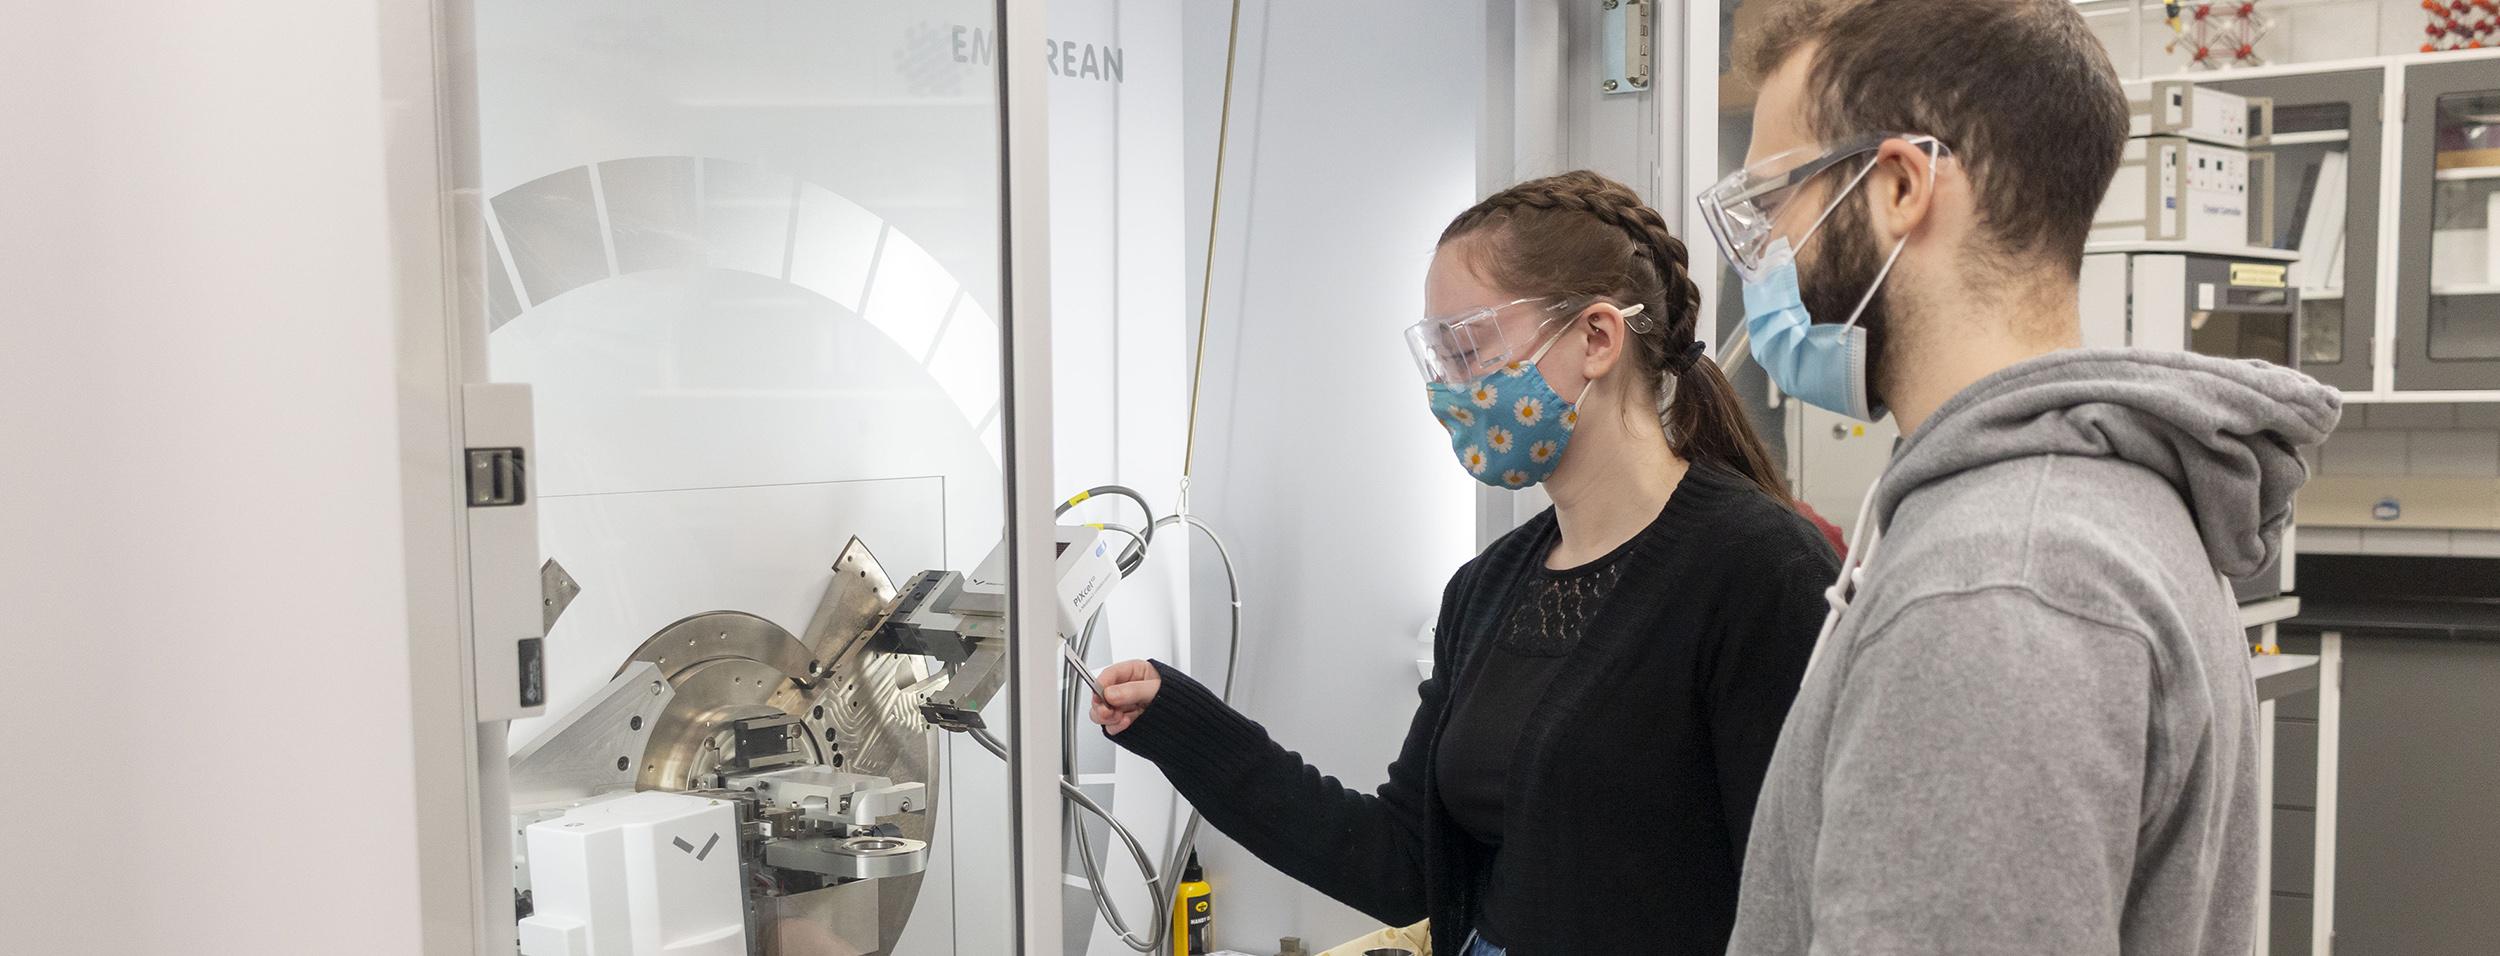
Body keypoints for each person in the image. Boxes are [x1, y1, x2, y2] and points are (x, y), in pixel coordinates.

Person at [1700, 1, 2342, 953]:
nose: (1761, 254)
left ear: (1901, 186)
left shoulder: (2002, 577)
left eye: (1774, 199)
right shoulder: (2088, 499)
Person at [1087, 171, 1839, 956]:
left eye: (1469, 348)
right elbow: (1402, 862)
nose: (1449, 390)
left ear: (1596, 339)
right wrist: (1179, 725)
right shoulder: (1488, 590)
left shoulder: (1758, 572)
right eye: (1437, 357)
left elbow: (1798, 898)